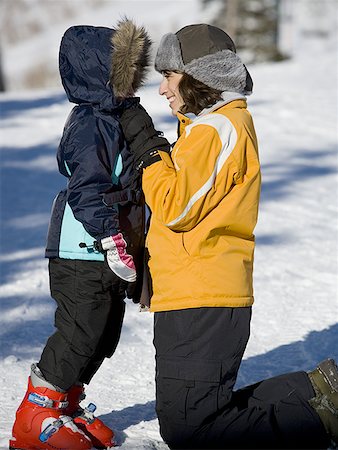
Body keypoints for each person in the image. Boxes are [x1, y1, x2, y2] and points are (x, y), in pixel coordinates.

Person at [118, 24, 338, 449]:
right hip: (195, 292)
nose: (162, 89)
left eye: (169, 74)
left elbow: (176, 207)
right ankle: (317, 391)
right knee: (201, 415)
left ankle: (320, 418)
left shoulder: (218, 129)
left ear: (200, 74)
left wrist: (149, 151)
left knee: (190, 430)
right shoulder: (206, 128)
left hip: (204, 297)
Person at [9, 19, 151, 450]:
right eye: (122, 75)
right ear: (101, 76)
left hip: (104, 249)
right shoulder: (92, 123)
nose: (130, 85)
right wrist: (112, 237)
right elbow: (88, 189)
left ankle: (66, 404)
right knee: (79, 330)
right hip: (82, 248)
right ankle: (35, 414)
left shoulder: (113, 118)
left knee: (103, 332)